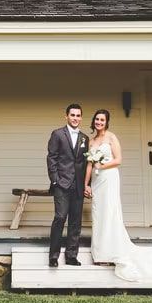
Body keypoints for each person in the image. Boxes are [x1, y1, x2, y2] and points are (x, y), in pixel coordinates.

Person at [84, 109, 152, 282]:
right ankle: (100, 254)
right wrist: (86, 184)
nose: (99, 122)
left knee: (110, 213)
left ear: (106, 122)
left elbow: (118, 160)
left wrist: (101, 166)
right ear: (93, 121)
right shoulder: (91, 141)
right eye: (97, 119)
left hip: (109, 178)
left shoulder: (112, 137)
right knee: (98, 213)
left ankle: (112, 252)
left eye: (102, 120)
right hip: (96, 181)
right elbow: (89, 164)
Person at [46, 103, 87, 267]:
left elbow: (85, 163)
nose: (75, 118)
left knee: (75, 222)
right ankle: (53, 256)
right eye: (72, 115)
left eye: (78, 115)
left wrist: (85, 184)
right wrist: (55, 180)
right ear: (66, 116)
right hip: (61, 183)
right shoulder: (57, 134)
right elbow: (51, 158)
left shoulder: (85, 138)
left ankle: (71, 256)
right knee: (60, 217)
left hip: (78, 185)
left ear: (81, 118)